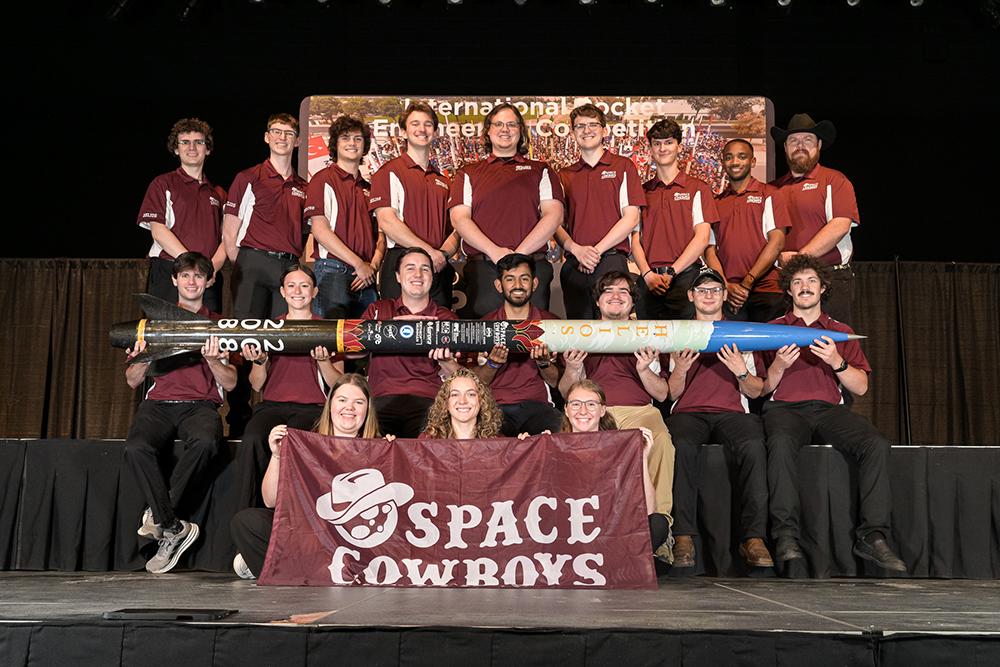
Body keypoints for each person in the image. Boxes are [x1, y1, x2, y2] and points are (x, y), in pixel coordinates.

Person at [761, 254, 906, 572]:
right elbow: (759, 388)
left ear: (823, 287)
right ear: (788, 290)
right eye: (797, 282)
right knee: (781, 443)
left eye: (811, 280)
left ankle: (872, 536)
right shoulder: (771, 330)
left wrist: (836, 361)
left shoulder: (841, 331)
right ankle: (785, 536)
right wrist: (779, 365)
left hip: (829, 410)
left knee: (876, 444)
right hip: (785, 408)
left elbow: (862, 387)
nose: (804, 287)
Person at [123, 252, 236, 574]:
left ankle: (160, 515)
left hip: (200, 405)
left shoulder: (219, 324)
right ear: (174, 280)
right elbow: (132, 381)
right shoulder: (153, 324)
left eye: (198, 276)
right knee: (136, 447)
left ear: (208, 281)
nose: (191, 281)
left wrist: (215, 361)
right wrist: (144, 356)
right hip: (158, 405)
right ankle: (173, 527)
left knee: (205, 441)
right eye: (185, 276)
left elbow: (231, 381)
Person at [557, 271, 674, 557]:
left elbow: (661, 394)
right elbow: (565, 392)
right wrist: (573, 368)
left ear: (632, 303)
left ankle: (659, 530)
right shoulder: (581, 333)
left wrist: (644, 369)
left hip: (638, 411)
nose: (616, 295)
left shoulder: (648, 335)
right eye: (608, 290)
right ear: (598, 302)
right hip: (592, 412)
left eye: (624, 291)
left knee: (659, 440)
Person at [665, 267, 773, 570]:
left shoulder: (743, 333)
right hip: (688, 413)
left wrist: (740, 369)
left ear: (725, 295)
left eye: (715, 289)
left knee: (753, 445)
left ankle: (753, 538)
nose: (708, 295)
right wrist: (681, 369)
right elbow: (670, 394)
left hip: (733, 413)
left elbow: (756, 390)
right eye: (702, 290)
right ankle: (683, 536)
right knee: (682, 446)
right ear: (691, 296)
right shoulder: (677, 333)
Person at [229, 374, 381, 579]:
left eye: (358, 402)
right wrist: (276, 455)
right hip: (309, 536)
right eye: (342, 400)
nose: (349, 407)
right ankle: (292, 573)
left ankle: (290, 571)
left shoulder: (380, 448)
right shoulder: (307, 444)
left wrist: (394, 453)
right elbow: (270, 500)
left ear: (367, 409)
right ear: (330, 405)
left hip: (354, 540)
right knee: (247, 521)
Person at [222, 113, 308, 436]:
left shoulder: (303, 187)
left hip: (288, 267)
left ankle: (272, 411)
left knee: (280, 341)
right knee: (244, 341)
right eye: (277, 132)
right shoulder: (249, 177)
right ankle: (238, 421)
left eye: (289, 133)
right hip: (252, 263)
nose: (283, 137)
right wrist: (245, 266)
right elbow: (230, 234)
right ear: (266, 137)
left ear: (297, 141)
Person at [234, 264, 343, 510]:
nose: (298, 291)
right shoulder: (268, 329)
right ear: (282, 292)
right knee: (252, 438)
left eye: (304, 286)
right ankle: (248, 517)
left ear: (314, 292)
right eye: (291, 286)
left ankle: (298, 516)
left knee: (299, 443)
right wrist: (260, 361)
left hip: (313, 408)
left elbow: (338, 384)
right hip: (273, 406)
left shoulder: (329, 329)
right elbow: (257, 384)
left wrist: (324, 361)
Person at [449, 103, 565, 316]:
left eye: (511, 124)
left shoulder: (541, 170)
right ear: (488, 130)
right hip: (484, 271)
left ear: (520, 130)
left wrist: (517, 257)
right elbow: (460, 219)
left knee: (533, 344)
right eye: (499, 124)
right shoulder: (468, 173)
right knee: (485, 344)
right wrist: (496, 253)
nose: (505, 129)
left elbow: (553, 214)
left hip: (531, 268)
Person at [361, 247, 462, 438]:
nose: (418, 274)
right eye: (410, 268)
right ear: (398, 276)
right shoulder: (378, 310)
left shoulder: (446, 318)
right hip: (381, 400)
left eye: (425, 269)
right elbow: (353, 353)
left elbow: (460, 377)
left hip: (428, 401)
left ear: (432, 276)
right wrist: (391, 329)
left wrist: (446, 361)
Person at [556, 104, 645, 319]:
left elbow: (631, 216)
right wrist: (577, 250)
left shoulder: (623, 166)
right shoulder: (564, 175)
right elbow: (554, 224)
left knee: (615, 331)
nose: (586, 130)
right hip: (576, 264)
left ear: (604, 130)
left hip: (612, 260)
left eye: (592, 124)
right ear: (573, 132)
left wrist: (594, 253)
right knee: (579, 332)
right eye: (580, 126)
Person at [770, 113, 859, 323]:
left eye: (807, 140)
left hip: (831, 278)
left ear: (818, 144)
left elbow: (840, 225)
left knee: (832, 347)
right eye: (793, 140)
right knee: (790, 349)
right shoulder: (773, 189)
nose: (800, 145)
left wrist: (800, 258)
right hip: (787, 281)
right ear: (785, 147)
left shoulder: (835, 180)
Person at [370, 101, 459, 308]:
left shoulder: (444, 180)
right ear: (403, 132)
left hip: (438, 265)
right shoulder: (389, 172)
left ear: (435, 132)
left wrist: (442, 255)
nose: (422, 129)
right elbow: (388, 222)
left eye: (428, 124)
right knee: (399, 332)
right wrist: (429, 252)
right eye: (415, 124)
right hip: (401, 260)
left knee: (439, 333)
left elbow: (456, 229)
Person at [136, 118, 227, 313]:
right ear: (176, 149)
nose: (192, 147)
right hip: (169, 271)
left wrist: (210, 269)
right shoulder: (163, 183)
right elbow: (158, 231)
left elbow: (227, 238)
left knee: (209, 339)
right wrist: (190, 268)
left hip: (206, 278)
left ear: (208, 149)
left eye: (199, 142)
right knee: (165, 336)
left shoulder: (218, 193)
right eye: (185, 142)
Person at [631, 118, 719, 320]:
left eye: (668, 142)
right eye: (657, 143)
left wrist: (672, 272)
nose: (663, 148)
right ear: (650, 149)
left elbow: (702, 237)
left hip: (685, 277)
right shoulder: (642, 192)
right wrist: (646, 274)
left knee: (685, 348)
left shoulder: (698, 188)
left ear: (679, 146)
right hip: (649, 279)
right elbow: (635, 239)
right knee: (649, 347)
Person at [560, 379, 661, 550]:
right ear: (567, 410)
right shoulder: (553, 447)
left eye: (591, 404)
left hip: (611, 529)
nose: (583, 411)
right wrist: (526, 449)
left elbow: (649, 511)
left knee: (658, 524)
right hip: (570, 530)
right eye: (576, 404)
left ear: (602, 410)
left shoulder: (620, 448)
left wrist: (642, 458)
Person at [304, 115, 385, 318]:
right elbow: (320, 231)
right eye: (345, 138)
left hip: (366, 275)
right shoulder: (322, 180)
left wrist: (371, 267)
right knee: (333, 342)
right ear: (335, 144)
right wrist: (359, 264)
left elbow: (381, 236)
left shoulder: (370, 188)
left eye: (358, 139)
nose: (352, 143)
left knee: (364, 344)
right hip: (333, 271)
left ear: (365, 145)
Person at [475, 253, 562, 437]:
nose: (518, 285)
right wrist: (493, 364)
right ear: (499, 286)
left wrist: (544, 363)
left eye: (524, 279)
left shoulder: (551, 323)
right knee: (486, 443)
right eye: (510, 279)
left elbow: (556, 382)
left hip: (538, 407)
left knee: (558, 435)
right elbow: (476, 383)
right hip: (496, 407)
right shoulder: (484, 326)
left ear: (535, 283)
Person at [705, 139, 789, 323]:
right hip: (731, 295)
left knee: (769, 352)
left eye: (742, 157)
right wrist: (725, 286)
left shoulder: (770, 194)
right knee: (732, 351)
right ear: (723, 162)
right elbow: (710, 250)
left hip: (767, 291)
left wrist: (747, 283)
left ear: (752, 161)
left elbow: (777, 242)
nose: (735, 162)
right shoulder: (716, 202)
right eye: (729, 157)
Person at [420, 368, 504, 440]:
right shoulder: (428, 439)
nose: (462, 401)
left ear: (481, 401)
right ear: (445, 402)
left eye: (471, 394)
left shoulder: (497, 441)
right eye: (455, 394)